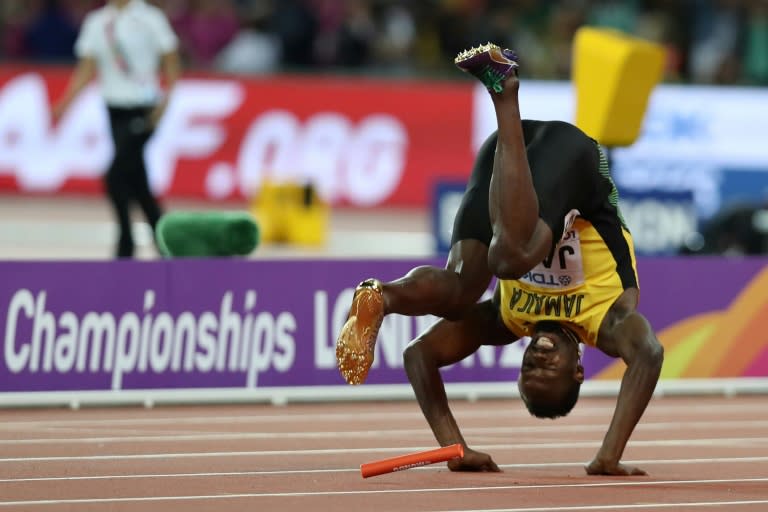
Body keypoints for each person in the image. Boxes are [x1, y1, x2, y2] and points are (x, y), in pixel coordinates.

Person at [335, 43, 664, 476]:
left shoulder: (510, 319)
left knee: (460, 289)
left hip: (504, 158)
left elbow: (420, 355)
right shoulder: (607, 319)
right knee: (509, 259)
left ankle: (381, 296)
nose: (538, 362)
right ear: (579, 369)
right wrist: (609, 455)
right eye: (549, 372)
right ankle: (503, 90)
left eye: (529, 372)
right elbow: (650, 354)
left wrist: (454, 447)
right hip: (574, 159)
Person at [53, 0, 181, 258]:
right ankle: (165, 242)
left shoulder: (150, 18)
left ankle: (126, 242)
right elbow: (87, 68)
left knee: (115, 176)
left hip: (144, 109)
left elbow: (171, 60)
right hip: (114, 110)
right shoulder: (96, 21)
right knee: (137, 182)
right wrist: (66, 102)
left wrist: (166, 100)